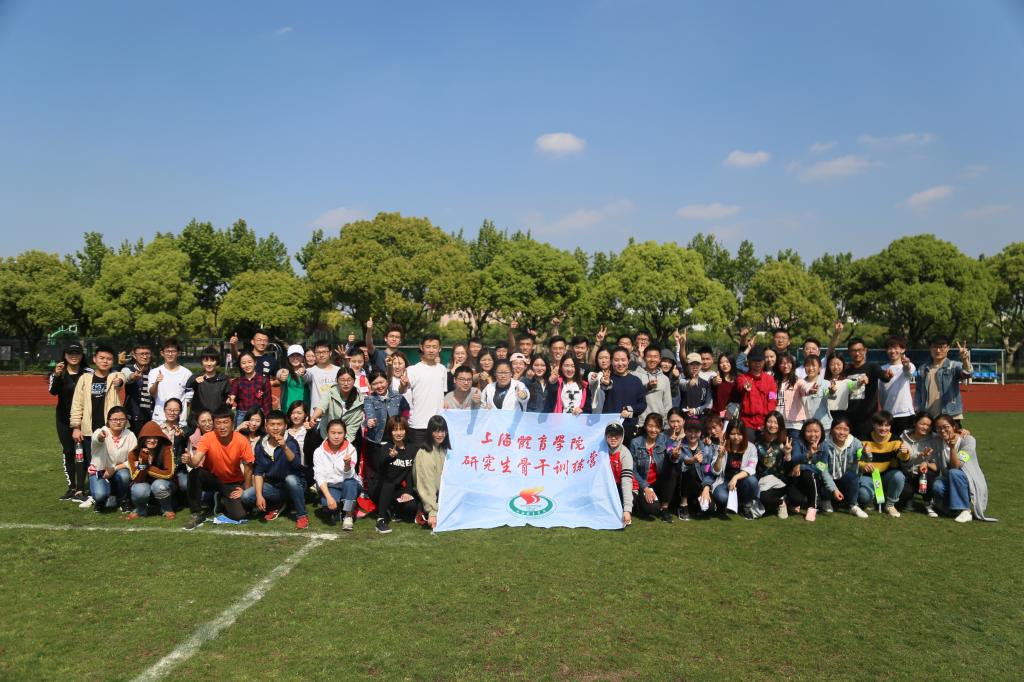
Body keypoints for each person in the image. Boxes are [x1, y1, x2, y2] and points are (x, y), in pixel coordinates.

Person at [181, 406, 255, 529]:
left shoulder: (242, 440)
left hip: (232, 482)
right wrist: (189, 460)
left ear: (232, 423)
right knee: (195, 473)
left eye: (225, 422)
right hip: (213, 478)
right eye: (218, 423)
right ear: (214, 424)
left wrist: (245, 490)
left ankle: (221, 499)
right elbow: (195, 462)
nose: (222, 426)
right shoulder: (207, 437)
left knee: (239, 515)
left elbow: (248, 467)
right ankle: (197, 512)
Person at [69, 345, 125, 509]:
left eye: (109, 359)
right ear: (94, 359)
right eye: (101, 358)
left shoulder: (115, 376)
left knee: (113, 462)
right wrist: (76, 426)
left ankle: (115, 494)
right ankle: (96, 494)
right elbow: (77, 404)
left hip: (111, 431)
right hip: (89, 431)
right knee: (93, 464)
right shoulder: (85, 379)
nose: (105, 361)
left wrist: (120, 381)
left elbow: (122, 378)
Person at [242, 409, 308, 529]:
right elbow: (258, 472)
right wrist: (259, 496)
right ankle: (279, 504)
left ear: (285, 426)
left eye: (279, 424)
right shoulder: (261, 445)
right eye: (272, 424)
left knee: (291, 479)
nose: (275, 428)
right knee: (246, 496)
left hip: (294, 485)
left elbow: (297, 465)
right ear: (266, 426)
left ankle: (301, 515)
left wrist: (284, 447)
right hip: (274, 487)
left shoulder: (291, 442)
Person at [932, 415, 997, 522]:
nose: (942, 430)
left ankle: (965, 510)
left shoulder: (968, 441)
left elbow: (956, 466)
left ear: (953, 426)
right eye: (938, 428)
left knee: (954, 472)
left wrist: (952, 448)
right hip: (950, 479)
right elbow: (923, 432)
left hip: (968, 480)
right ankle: (953, 510)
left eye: (946, 427)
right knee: (938, 486)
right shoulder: (938, 439)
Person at [50, 342, 89, 502]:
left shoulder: (88, 373)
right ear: (65, 355)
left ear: (82, 355)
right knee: (68, 451)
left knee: (81, 453)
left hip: (83, 419)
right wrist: (57, 376)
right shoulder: (59, 372)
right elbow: (53, 391)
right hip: (63, 420)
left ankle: (81, 488)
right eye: (70, 353)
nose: (74, 356)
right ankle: (71, 487)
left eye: (77, 353)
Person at [371, 416, 419, 534]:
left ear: (406, 430)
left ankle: (393, 510)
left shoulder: (412, 448)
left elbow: (409, 473)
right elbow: (381, 467)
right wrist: (390, 457)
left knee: (412, 507)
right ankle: (381, 519)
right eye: (395, 430)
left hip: (396, 490)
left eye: (401, 429)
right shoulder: (385, 447)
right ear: (390, 432)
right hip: (380, 488)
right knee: (389, 483)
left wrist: (408, 491)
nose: (398, 433)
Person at [857, 411, 908, 517]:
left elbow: (904, 459)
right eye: (880, 425)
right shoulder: (863, 439)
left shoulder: (896, 440)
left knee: (899, 476)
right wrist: (863, 465)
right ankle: (871, 499)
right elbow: (855, 460)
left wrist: (905, 453)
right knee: (864, 496)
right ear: (873, 425)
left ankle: (890, 505)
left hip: (886, 476)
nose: (884, 428)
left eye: (887, 425)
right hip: (868, 476)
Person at [87, 406, 137, 513]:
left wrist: (114, 468)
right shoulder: (101, 432)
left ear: (126, 421)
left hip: (119, 470)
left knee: (124, 476)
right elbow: (96, 439)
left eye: (121, 419)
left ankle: (124, 500)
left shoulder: (130, 435)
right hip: (100, 471)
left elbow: (134, 459)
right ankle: (100, 501)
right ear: (108, 420)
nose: (118, 422)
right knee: (100, 494)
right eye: (114, 419)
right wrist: (101, 436)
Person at [404, 335, 448, 457]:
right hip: (418, 424)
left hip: (438, 425)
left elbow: (443, 394)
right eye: (428, 346)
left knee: (438, 460)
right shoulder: (412, 369)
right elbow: (403, 389)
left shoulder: (442, 369)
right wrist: (403, 385)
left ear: (440, 348)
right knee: (418, 460)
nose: (431, 350)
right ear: (422, 347)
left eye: (434, 347)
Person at [314, 418, 361, 530]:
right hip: (330, 486)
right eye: (333, 433)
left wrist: (347, 465)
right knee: (329, 505)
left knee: (350, 483)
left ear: (345, 434)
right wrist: (329, 497)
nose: (336, 436)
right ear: (327, 433)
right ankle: (340, 507)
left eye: (340, 433)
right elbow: (319, 476)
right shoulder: (318, 452)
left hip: (347, 484)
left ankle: (348, 515)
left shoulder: (351, 449)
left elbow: (349, 476)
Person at [629, 414, 678, 522]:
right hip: (643, 483)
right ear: (645, 426)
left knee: (672, 471)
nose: (653, 430)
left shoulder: (664, 439)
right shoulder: (635, 443)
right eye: (650, 426)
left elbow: (671, 451)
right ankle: (639, 504)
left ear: (660, 428)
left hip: (659, 482)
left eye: (657, 427)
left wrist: (674, 455)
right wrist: (645, 487)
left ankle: (665, 508)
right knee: (653, 509)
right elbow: (633, 469)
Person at [915, 337, 973, 425]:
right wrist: (918, 409)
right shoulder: (923, 368)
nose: (938, 350)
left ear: (948, 348)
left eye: (942, 347)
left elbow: (968, 373)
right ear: (930, 348)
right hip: (928, 417)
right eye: (935, 347)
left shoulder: (953, 366)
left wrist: (965, 360)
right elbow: (919, 391)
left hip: (950, 415)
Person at [816, 417, 866, 517]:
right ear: (831, 429)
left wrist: (867, 454)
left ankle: (853, 505)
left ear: (849, 431)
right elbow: (822, 469)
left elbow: (864, 459)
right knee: (821, 477)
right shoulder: (823, 444)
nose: (841, 432)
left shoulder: (855, 442)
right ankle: (825, 500)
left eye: (845, 429)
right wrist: (834, 489)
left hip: (844, 479)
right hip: (828, 479)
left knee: (852, 476)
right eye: (838, 428)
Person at [126, 419, 175, 520]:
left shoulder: (166, 449)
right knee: (139, 489)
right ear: (142, 439)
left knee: (159, 485)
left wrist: (146, 467)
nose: (152, 440)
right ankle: (140, 510)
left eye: (155, 438)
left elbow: (169, 473)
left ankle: (167, 509)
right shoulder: (133, 454)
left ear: (160, 438)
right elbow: (136, 478)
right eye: (148, 437)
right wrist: (143, 460)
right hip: (143, 483)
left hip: (164, 483)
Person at [711, 420, 760, 517]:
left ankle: (745, 505)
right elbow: (715, 471)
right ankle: (724, 505)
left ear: (744, 434)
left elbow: (751, 468)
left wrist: (735, 477)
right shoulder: (721, 447)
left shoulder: (751, 447)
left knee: (752, 480)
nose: (736, 437)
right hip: (724, 481)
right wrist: (720, 457)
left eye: (739, 434)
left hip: (742, 481)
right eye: (733, 434)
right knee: (721, 497)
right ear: (728, 434)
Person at [844, 337, 889, 440]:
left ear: (865, 350)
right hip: (850, 419)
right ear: (849, 352)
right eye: (853, 350)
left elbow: (883, 376)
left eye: (860, 350)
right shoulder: (846, 370)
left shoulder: (872, 367)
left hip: (868, 420)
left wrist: (887, 376)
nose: (857, 353)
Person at [599, 347, 647, 441]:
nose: (620, 363)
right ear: (611, 362)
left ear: (628, 361)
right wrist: (606, 383)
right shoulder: (608, 379)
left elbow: (642, 404)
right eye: (616, 360)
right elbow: (606, 386)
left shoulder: (636, 381)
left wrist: (630, 410)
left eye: (623, 360)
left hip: (630, 426)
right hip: (610, 427)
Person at [310, 368, 365, 449]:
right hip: (326, 435)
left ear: (354, 381)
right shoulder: (330, 392)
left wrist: (342, 446)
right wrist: (314, 417)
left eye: (349, 380)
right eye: (342, 380)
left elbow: (353, 427)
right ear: (336, 380)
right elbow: (321, 406)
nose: (346, 383)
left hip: (347, 439)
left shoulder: (360, 400)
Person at [897, 411, 940, 516]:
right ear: (915, 423)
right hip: (907, 473)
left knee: (927, 474)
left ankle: (928, 502)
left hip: (924, 474)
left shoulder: (935, 438)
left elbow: (949, 434)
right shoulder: (903, 438)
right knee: (905, 493)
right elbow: (901, 460)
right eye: (922, 424)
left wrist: (961, 432)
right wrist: (919, 456)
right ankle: (908, 498)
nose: (925, 427)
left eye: (929, 425)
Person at [731, 346, 777, 441]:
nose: (757, 364)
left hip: (765, 423)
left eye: (760, 361)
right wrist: (745, 386)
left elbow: (772, 398)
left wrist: (768, 419)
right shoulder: (743, 378)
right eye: (754, 361)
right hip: (747, 423)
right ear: (749, 361)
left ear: (764, 362)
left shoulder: (770, 379)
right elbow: (740, 385)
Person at [413, 414, 451, 530]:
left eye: (442, 431)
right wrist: (432, 512)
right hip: (427, 495)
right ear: (430, 432)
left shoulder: (444, 449)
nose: (440, 435)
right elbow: (426, 484)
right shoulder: (425, 453)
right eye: (436, 431)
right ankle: (423, 512)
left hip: (442, 493)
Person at [678, 418, 716, 519]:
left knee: (709, 509)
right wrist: (691, 460)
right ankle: (683, 504)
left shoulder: (707, 448)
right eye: (690, 431)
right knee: (687, 468)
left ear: (701, 433)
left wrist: (706, 488)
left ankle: (694, 502)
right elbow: (678, 460)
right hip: (682, 486)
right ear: (685, 431)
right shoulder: (679, 444)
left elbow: (708, 470)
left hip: (700, 485)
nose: (693, 435)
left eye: (696, 432)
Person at [148, 339, 192, 425]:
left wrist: (180, 412)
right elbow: (152, 393)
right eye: (167, 351)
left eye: (173, 351)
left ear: (178, 353)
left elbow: (188, 399)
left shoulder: (187, 373)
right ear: (162, 353)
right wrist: (157, 382)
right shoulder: (154, 372)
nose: (170, 354)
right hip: (159, 419)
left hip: (179, 421)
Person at [788, 419, 825, 522]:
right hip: (797, 478)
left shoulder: (824, 445)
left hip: (815, 481)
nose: (813, 434)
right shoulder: (798, 442)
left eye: (816, 431)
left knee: (808, 474)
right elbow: (794, 459)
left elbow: (822, 467)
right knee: (795, 500)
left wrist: (802, 466)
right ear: (803, 432)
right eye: (809, 431)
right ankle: (796, 501)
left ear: (821, 432)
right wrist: (809, 454)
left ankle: (812, 507)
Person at [879, 336, 916, 437]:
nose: (892, 351)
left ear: (902, 349)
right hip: (888, 415)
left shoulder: (909, 365)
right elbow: (881, 393)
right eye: (889, 348)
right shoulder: (882, 369)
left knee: (905, 443)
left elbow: (908, 371)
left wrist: (906, 365)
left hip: (905, 413)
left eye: (896, 348)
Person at [186, 346, 231, 430]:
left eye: (212, 360)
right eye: (206, 360)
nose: (209, 364)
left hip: (216, 420)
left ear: (217, 361)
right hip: (199, 421)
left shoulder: (223, 379)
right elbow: (186, 388)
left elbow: (228, 401)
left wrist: (229, 401)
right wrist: (194, 382)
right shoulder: (196, 377)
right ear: (202, 362)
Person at [755, 412, 789, 518]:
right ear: (765, 423)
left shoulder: (784, 443)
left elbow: (788, 467)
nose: (772, 425)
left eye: (776, 422)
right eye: (770, 422)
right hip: (761, 480)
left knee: (764, 498)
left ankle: (781, 503)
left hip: (779, 480)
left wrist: (787, 454)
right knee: (761, 497)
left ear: (780, 425)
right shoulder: (758, 442)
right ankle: (777, 501)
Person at [119, 341, 154, 436]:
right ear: (134, 355)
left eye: (147, 353)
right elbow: (128, 376)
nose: (144, 356)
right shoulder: (128, 369)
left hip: (152, 416)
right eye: (141, 354)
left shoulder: (155, 372)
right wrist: (133, 376)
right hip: (134, 416)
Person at [603, 422, 634, 527]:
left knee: (651, 508)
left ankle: (630, 509)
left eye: (617, 435)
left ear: (622, 436)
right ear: (605, 436)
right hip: (608, 487)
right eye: (610, 435)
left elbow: (626, 482)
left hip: (623, 487)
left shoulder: (625, 454)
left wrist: (627, 510)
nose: (613, 438)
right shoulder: (601, 451)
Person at [230, 352, 272, 428]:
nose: (247, 365)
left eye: (250, 362)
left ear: (255, 362)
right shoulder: (237, 381)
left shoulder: (263, 380)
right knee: (241, 435)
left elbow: (267, 403)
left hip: (258, 415)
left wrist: (267, 418)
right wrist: (231, 397)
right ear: (240, 365)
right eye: (243, 363)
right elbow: (233, 392)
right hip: (242, 416)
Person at [775, 354, 810, 440]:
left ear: (793, 364)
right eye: (782, 363)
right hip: (777, 423)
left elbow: (805, 388)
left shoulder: (798, 381)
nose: (785, 366)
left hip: (794, 424)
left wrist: (810, 390)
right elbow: (772, 399)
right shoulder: (774, 381)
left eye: (788, 363)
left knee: (795, 447)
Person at [632, 346, 671, 421]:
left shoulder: (665, 379)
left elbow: (667, 404)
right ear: (644, 358)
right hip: (639, 421)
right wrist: (647, 387)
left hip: (658, 422)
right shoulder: (635, 375)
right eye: (649, 356)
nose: (652, 359)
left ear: (659, 359)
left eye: (655, 357)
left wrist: (666, 422)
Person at [275, 344, 311, 414]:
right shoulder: (285, 371)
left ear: (303, 357)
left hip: (304, 411)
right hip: (287, 410)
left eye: (298, 355)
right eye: (292, 356)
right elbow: (279, 374)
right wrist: (280, 375)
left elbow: (309, 376)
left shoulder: (308, 371)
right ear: (288, 358)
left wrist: (304, 372)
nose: (295, 358)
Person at [800, 356, 831, 431]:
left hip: (823, 425)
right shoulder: (800, 384)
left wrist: (832, 391)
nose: (810, 368)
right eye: (807, 365)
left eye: (813, 365)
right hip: (805, 426)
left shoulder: (826, 383)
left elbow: (830, 395)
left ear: (819, 368)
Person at [679, 352, 712, 420]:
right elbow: (683, 386)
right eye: (692, 364)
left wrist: (696, 411)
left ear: (701, 366)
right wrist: (689, 384)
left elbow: (708, 403)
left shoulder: (705, 383)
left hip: (701, 419)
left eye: (697, 364)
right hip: (685, 419)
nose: (695, 367)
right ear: (687, 366)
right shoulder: (682, 380)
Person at [711, 354, 738, 419]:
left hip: (732, 416)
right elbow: (713, 383)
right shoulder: (717, 378)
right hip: (717, 416)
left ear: (732, 363)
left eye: (727, 362)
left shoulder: (738, 379)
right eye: (721, 362)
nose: (725, 364)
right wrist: (715, 381)